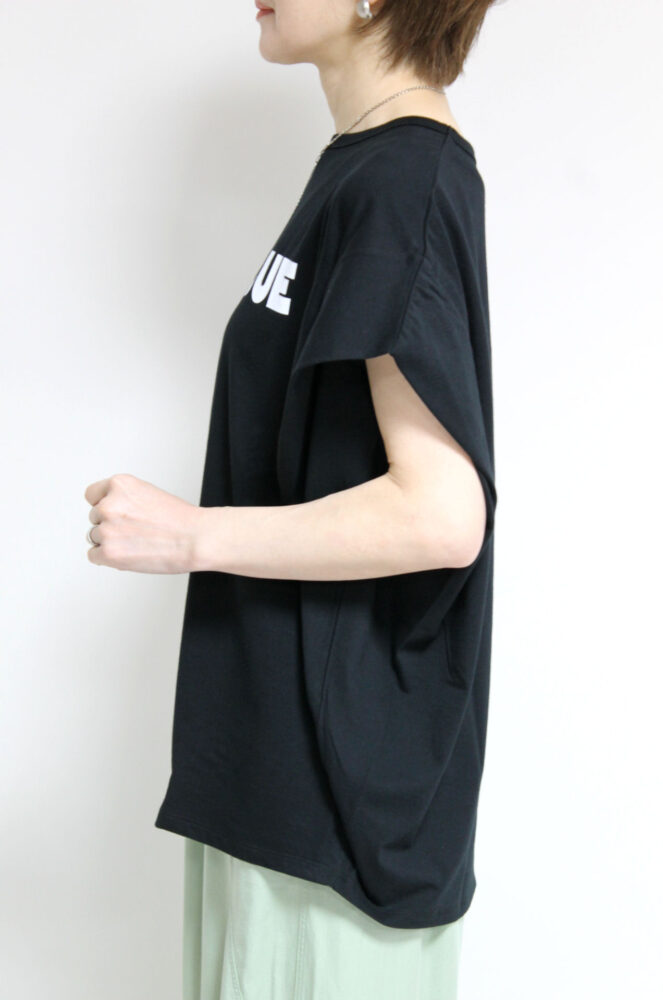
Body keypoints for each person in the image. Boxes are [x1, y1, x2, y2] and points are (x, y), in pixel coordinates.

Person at [84, 0, 498, 996]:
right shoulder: (362, 165)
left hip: (334, 814)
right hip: (282, 772)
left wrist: (190, 534)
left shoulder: (405, 179)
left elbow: (442, 514)